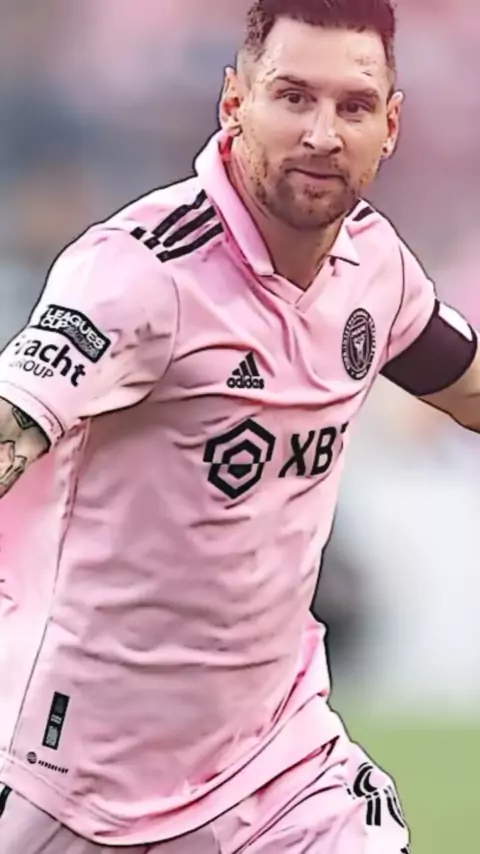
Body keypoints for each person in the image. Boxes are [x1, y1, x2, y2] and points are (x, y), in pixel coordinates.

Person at [0, 0, 477, 851]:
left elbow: (467, 386)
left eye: (354, 106)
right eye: (294, 97)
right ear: (235, 103)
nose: (322, 134)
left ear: (391, 126)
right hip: (76, 772)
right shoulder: (139, 272)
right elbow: (15, 422)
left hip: (279, 762)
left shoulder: (374, 267)